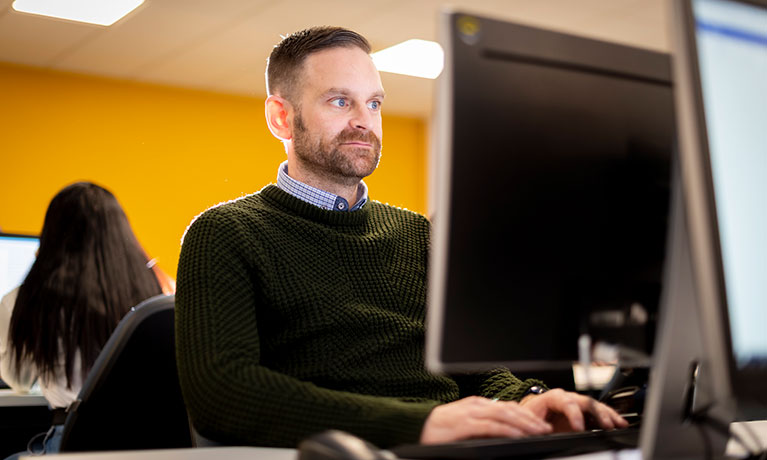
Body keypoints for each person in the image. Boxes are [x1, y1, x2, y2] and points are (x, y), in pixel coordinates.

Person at [176, 26, 628, 449]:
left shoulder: (418, 234)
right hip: (352, 452)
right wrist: (421, 424)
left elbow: (473, 372)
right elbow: (223, 394)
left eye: (373, 104)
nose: (364, 122)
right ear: (281, 117)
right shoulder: (225, 233)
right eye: (339, 101)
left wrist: (528, 398)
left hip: (451, 447)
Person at [0, 182, 168, 455]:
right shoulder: (156, 292)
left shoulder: (25, 298)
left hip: (75, 441)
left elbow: (19, 379)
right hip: (149, 442)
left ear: (50, 238)